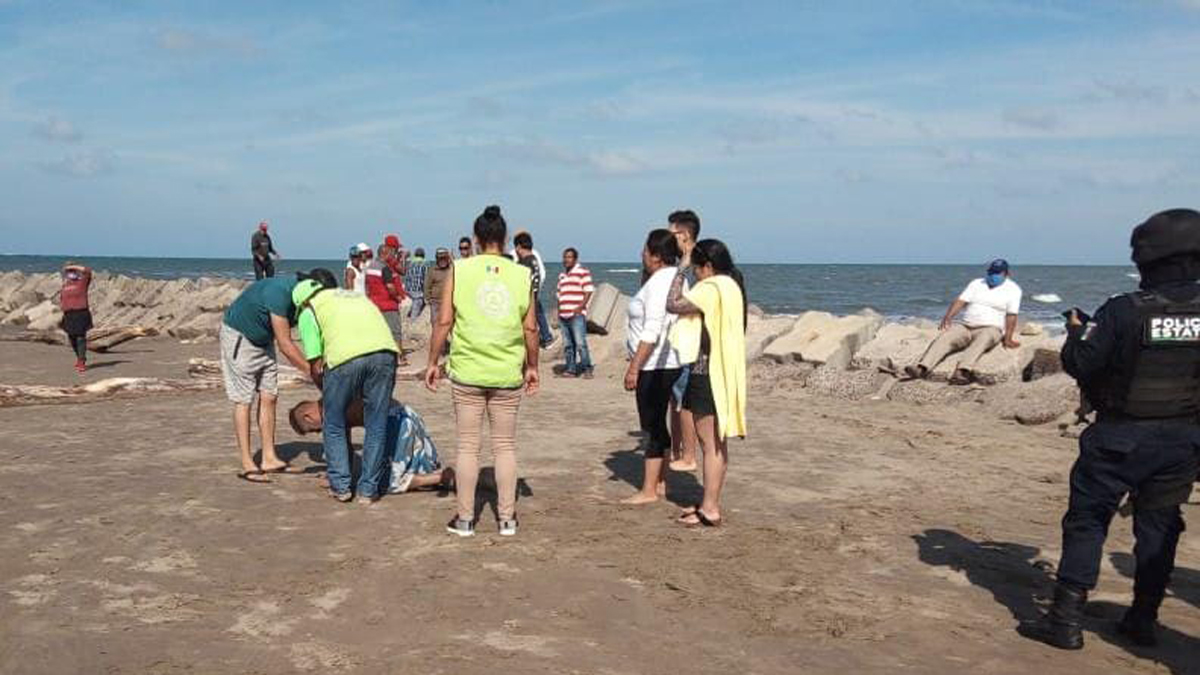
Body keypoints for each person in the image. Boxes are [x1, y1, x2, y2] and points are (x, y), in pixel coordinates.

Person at [1027, 208, 1200, 650]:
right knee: (1160, 529)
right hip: (1182, 442)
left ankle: (1064, 621)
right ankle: (1144, 619)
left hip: (1119, 438)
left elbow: (1083, 364)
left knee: (1087, 522)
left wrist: (1074, 333)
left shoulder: (1124, 311)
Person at [424, 205, 539, 537]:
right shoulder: (521, 273)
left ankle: (464, 519)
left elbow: (444, 320)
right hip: (506, 371)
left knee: (467, 447)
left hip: (468, 371)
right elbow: (530, 328)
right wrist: (533, 366)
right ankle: (507, 519)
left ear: (475, 239)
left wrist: (432, 362)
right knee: (505, 446)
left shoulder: (459, 270)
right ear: (504, 239)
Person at [293, 279, 399, 503]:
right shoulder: (355, 296)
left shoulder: (309, 311)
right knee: (376, 424)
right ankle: (368, 491)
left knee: (333, 423)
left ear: (301, 302)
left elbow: (315, 363)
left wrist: (326, 392)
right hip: (386, 352)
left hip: (345, 359)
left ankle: (341, 486)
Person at [666, 239, 748, 527]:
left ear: (708, 267)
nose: (696, 274)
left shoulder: (712, 289)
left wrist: (681, 270)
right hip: (723, 372)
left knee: (710, 444)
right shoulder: (732, 286)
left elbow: (673, 304)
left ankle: (710, 507)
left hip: (707, 371)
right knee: (717, 443)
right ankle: (709, 502)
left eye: (698, 269)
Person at [220, 272, 316, 483]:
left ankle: (269, 458)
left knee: (270, 396)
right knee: (243, 399)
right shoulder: (279, 294)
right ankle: (247, 463)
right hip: (240, 337)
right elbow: (286, 345)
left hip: (264, 340)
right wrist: (313, 373)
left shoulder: (305, 299)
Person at [622, 230, 685, 505]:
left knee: (652, 426)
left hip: (655, 364)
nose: (641, 255)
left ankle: (648, 490)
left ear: (657, 256)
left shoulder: (661, 282)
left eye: (645, 250)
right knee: (659, 425)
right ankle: (660, 483)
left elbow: (652, 330)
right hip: (667, 362)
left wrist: (635, 366)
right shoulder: (676, 278)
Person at [289, 398, 454, 494]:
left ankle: (440, 477)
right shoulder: (334, 395)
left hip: (394, 423)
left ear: (308, 416)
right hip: (407, 414)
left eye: (315, 430)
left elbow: (344, 448)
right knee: (417, 469)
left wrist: (336, 478)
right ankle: (437, 476)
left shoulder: (330, 409)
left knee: (381, 482)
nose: (320, 432)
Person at [904, 259, 1023, 384]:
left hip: (990, 328)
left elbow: (1011, 315)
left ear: (1006, 274)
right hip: (966, 326)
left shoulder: (1013, 290)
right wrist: (948, 316)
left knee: (983, 340)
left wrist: (1008, 338)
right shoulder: (977, 283)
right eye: (991, 272)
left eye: (997, 273)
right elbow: (961, 301)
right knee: (946, 338)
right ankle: (922, 368)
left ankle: (962, 371)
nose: (994, 275)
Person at [667, 210, 703, 472]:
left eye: (672, 234)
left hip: (689, 344)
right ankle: (677, 450)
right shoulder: (683, 263)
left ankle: (688, 454)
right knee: (676, 401)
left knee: (684, 402)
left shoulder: (695, 265)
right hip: (679, 342)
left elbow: (688, 303)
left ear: (684, 234)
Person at [366, 243, 408, 366]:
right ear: (384, 253)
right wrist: (397, 297)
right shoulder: (384, 268)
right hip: (388, 305)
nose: (392, 255)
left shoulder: (370, 266)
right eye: (390, 253)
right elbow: (390, 287)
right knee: (395, 332)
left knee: (378, 332)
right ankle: (399, 357)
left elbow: (368, 286)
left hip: (374, 304)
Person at [557, 247, 595, 378]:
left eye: (569, 257)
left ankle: (587, 368)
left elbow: (589, 290)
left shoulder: (582, 272)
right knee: (568, 345)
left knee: (580, 343)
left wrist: (580, 307)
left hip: (576, 315)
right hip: (563, 315)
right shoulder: (562, 276)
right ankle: (571, 369)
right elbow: (559, 294)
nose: (566, 260)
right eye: (564, 257)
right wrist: (559, 310)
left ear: (575, 259)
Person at [513, 232, 555, 348]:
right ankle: (546, 338)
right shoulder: (534, 260)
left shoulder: (524, 263)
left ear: (518, 247)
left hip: (525, 305)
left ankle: (545, 338)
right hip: (534, 299)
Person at [58, 261, 93, 373]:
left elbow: (87, 271)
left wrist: (72, 266)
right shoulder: (66, 284)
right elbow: (63, 298)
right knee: (71, 338)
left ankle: (82, 361)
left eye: (72, 271)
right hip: (68, 314)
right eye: (68, 272)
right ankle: (79, 357)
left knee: (80, 338)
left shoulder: (82, 282)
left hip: (80, 312)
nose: (70, 273)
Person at [404, 247, 429, 321]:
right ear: (423, 256)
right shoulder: (425, 264)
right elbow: (426, 279)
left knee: (418, 301)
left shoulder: (410, 263)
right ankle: (413, 318)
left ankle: (410, 314)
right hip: (417, 290)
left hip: (408, 289)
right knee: (419, 300)